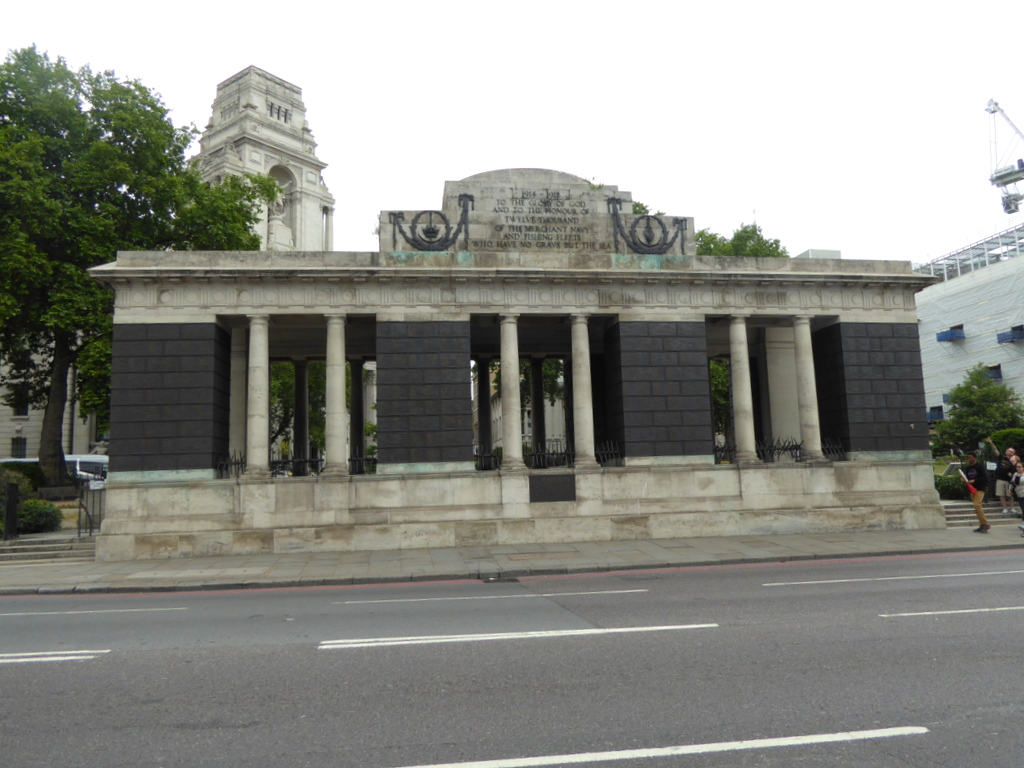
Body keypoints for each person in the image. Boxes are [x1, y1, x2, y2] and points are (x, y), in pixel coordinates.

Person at [961, 452, 990, 533]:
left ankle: (985, 523)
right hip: (972, 488)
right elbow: (967, 477)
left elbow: (984, 477)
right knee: (976, 507)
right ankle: (981, 525)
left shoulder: (980, 466)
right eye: (968, 458)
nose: (969, 459)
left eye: (971, 457)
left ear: (975, 458)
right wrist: (964, 479)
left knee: (976, 504)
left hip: (980, 488)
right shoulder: (968, 468)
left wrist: (974, 480)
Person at [986, 438, 1016, 515]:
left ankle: (1012, 508)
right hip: (1000, 479)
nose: (1010, 452)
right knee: (1001, 494)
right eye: (1009, 451)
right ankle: (1004, 508)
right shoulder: (1002, 458)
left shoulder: (1013, 460)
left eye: (1012, 451)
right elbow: (996, 451)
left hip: (1008, 480)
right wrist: (991, 443)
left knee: (1010, 495)